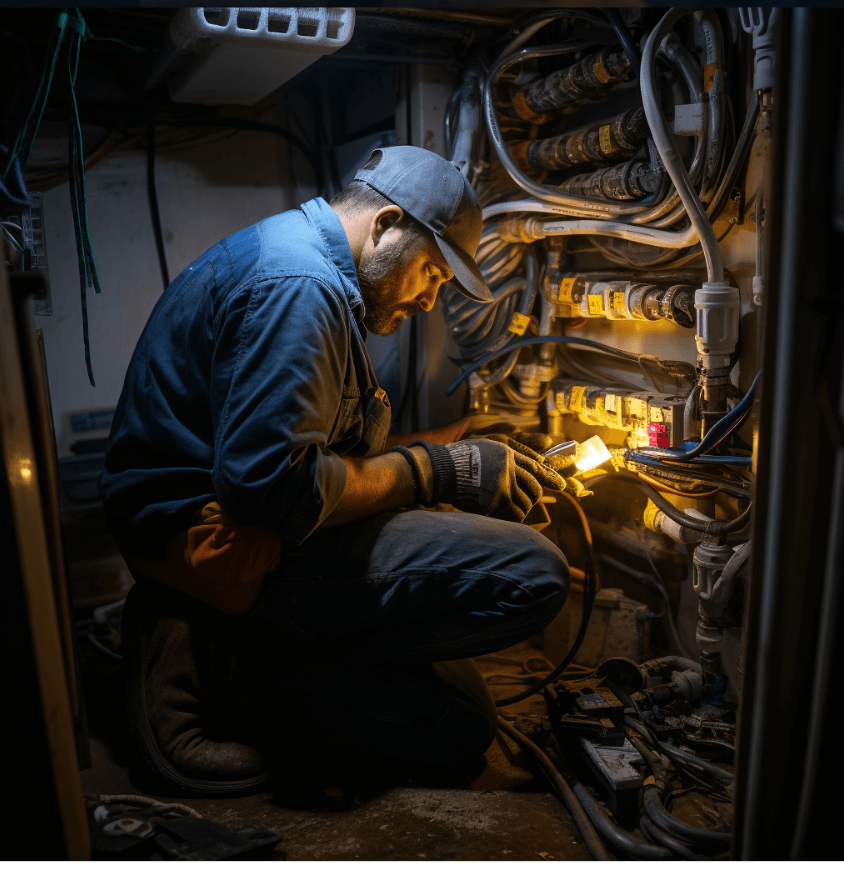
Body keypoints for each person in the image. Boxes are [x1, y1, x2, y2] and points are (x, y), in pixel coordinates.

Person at [100, 146, 570, 794]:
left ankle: (265, 646)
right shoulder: (300, 287)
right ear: (386, 225)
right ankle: (212, 658)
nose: (432, 299)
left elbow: (322, 448)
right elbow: (268, 489)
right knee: (532, 574)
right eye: (432, 271)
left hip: (243, 528)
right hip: (212, 543)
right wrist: (437, 471)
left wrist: (459, 444)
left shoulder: (309, 271)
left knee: (462, 725)